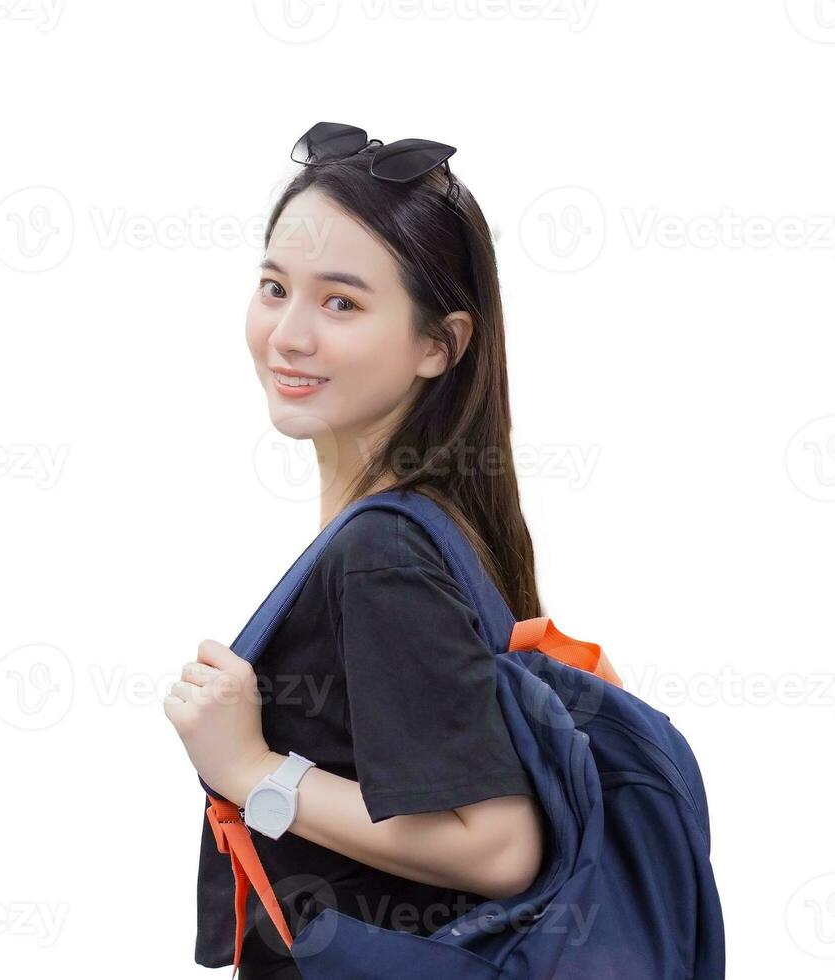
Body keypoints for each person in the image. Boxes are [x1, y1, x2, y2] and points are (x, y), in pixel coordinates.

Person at [163, 124, 547, 979]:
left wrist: (252, 767)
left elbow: (498, 845)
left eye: (341, 303)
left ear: (438, 345)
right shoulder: (430, 525)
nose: (289, 336)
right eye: (275, 287)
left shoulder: (385, 554)